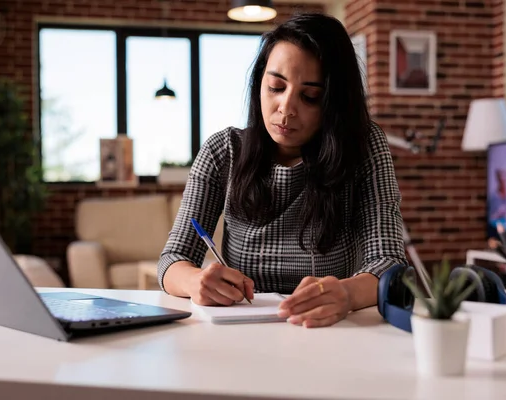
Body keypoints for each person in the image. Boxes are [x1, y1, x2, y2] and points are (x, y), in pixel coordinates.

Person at [157, 12, 408, 328]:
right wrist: (197, 281)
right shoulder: (223, 151)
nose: (286, 108)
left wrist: (347, 294)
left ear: (334, 102)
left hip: (328, 331)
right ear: (259, 82)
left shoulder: (363, 147)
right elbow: (171, 262)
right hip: (242, 333)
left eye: (310, 96)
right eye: (276, 86)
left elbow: (389, 262)